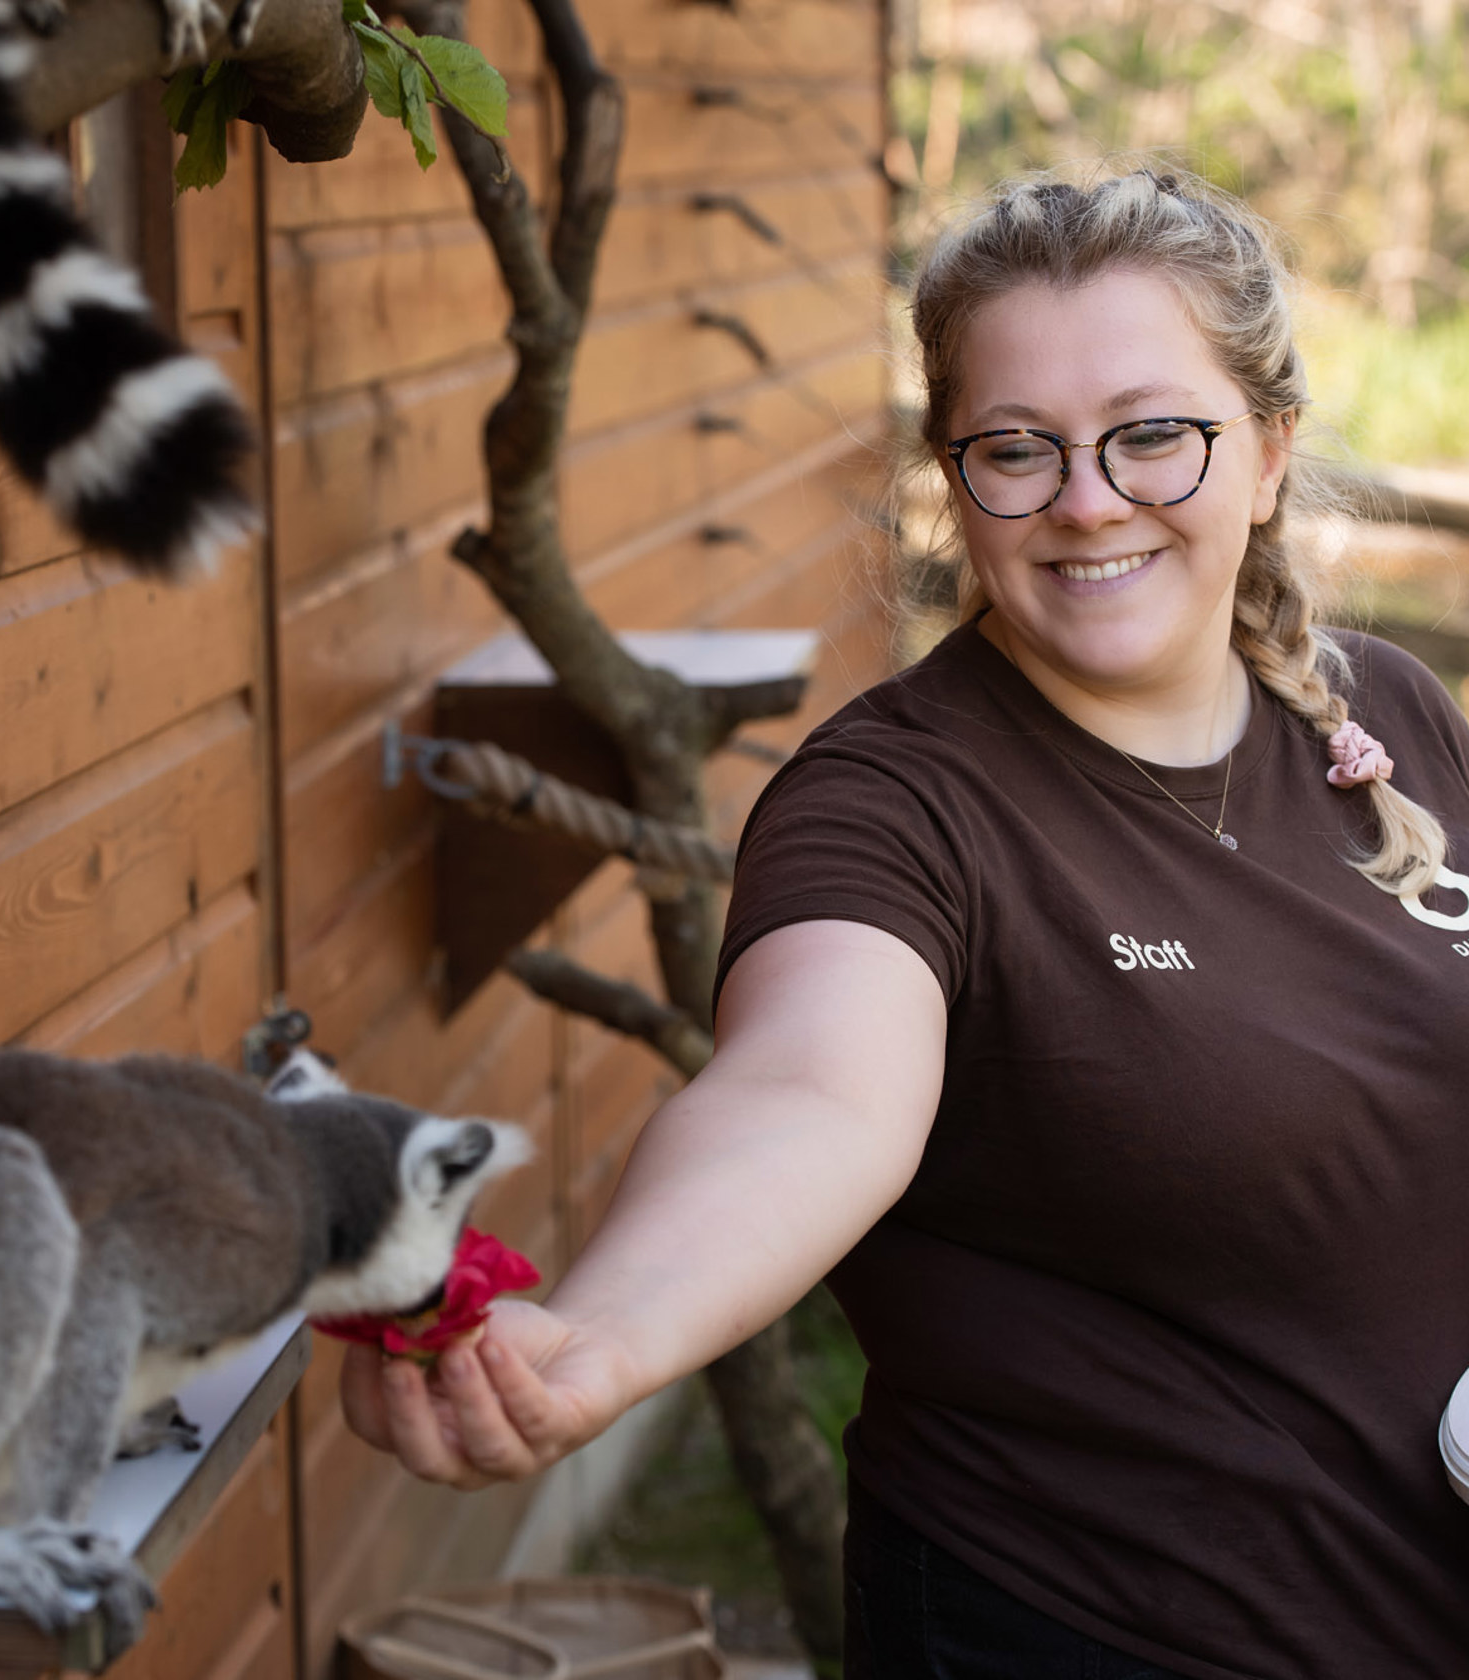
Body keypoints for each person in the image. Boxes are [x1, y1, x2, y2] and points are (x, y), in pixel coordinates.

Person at [339, 167, 1469, 1678]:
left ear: (1266, 454)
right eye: (1016, 448)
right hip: (1096, 1631)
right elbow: (811, 1095)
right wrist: (606, 1336)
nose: (1086, 498)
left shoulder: (1386, 712)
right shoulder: (895, 804)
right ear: (953, 476)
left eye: (1153, 434)